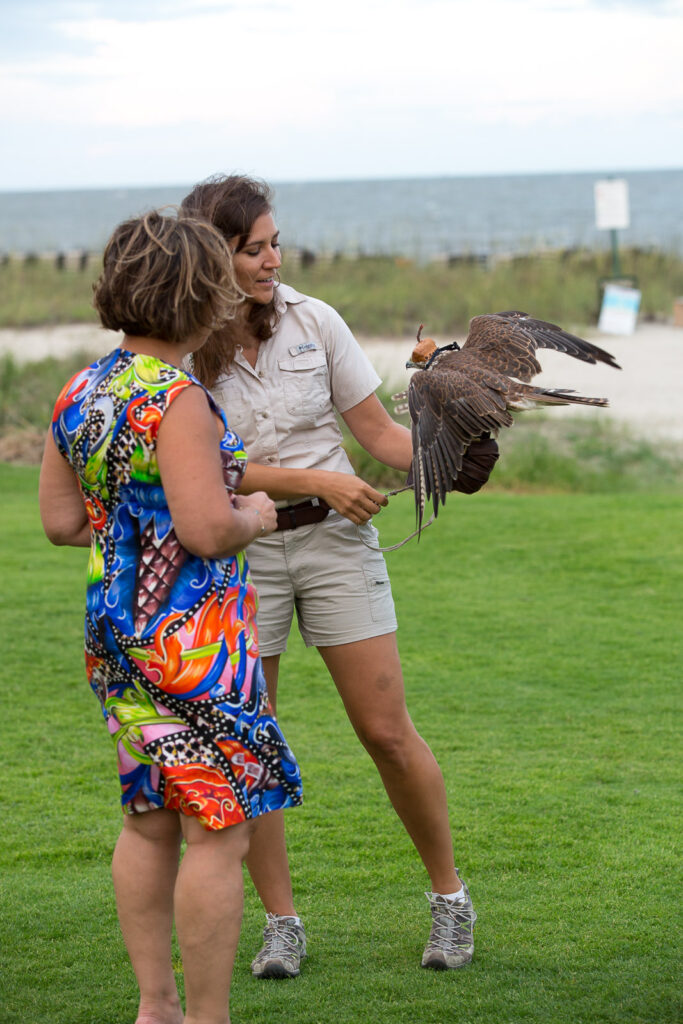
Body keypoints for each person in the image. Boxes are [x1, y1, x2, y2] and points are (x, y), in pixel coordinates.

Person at [181, 175, 491, 976]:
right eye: (253, 249)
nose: (271, 260)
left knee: (386, 732)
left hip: (335, 546)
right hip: (237, 552)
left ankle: (450, 901)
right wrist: (317, 480)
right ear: (214, 256)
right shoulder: (183, 348)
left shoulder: (315, 321)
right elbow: (213, 472)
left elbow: (380, 433)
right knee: (255, 741)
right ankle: (281, 923)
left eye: (275, 243)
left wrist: (449, 456)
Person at [38, 209, 303, 1024]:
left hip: (115, 640)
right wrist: (252, 514)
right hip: (192, 651)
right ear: (200, 297)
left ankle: (156, 1007)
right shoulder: (178, 400)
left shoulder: (83, 389)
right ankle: (208, 1017)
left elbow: (63, 521)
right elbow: (205, 529)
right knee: (218, 830)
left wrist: (132, 520)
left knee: (149, 818)